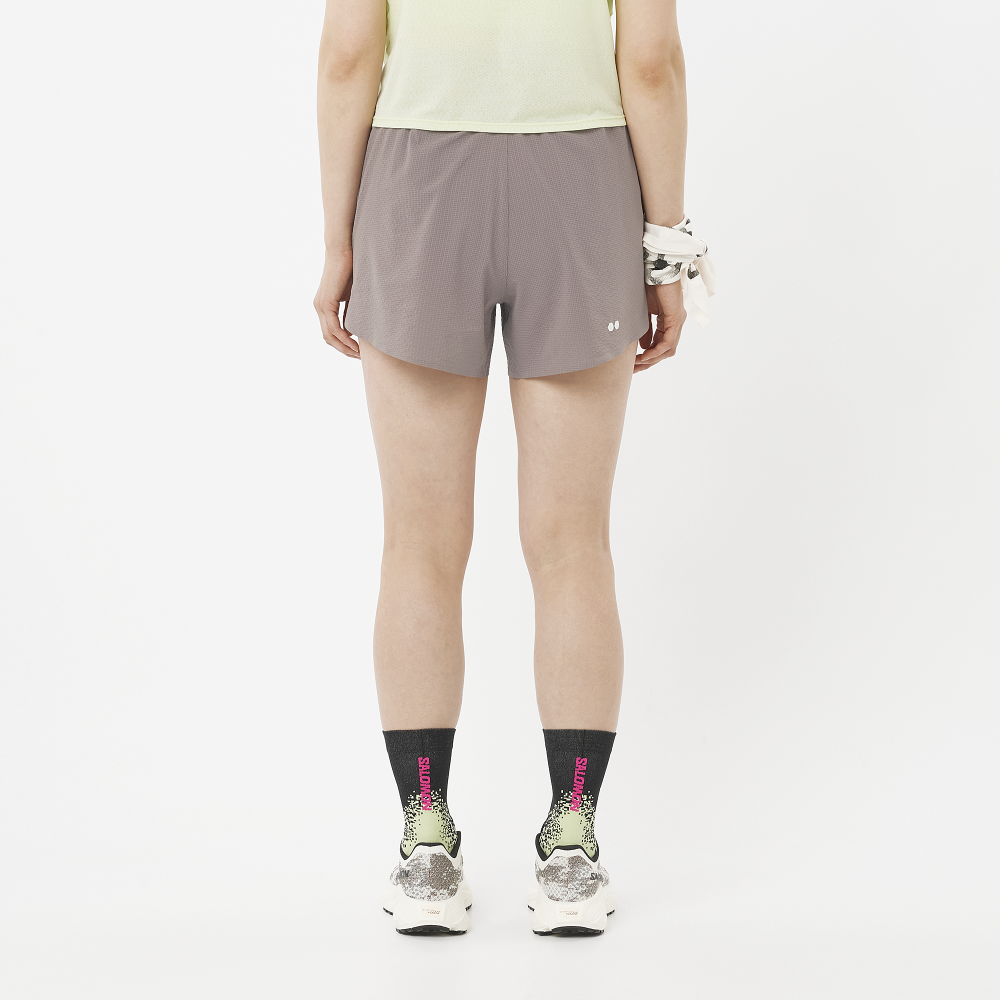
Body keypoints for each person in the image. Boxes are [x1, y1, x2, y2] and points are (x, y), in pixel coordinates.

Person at [313, 0, 713, 936]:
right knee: (573, 546)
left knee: (419, 544)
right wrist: (667, 249)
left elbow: (346, 56)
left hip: (417, 178)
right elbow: (651, 62)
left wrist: (339, 242)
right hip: (581, 179)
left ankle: (426, 845)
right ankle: (572, 845)